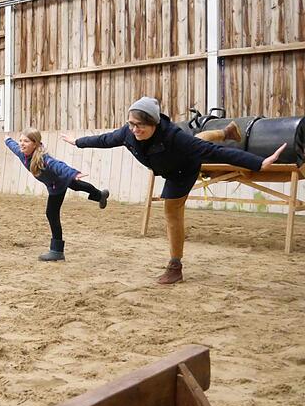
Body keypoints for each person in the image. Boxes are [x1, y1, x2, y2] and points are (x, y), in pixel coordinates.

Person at [62, 97, 285, 284]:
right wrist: (78, 142)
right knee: (197, 140)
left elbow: (214, 152)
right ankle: (226, 131)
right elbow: (105, 139)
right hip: (170, 163)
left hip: (182, 171)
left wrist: (258, 163)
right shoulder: (128, 133)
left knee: (172, 212)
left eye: (141, 125)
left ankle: (175, 266)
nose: (135, 129)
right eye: (131, 123)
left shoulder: (174, 137)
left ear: (154, 124)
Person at [5, 128, 109, 261]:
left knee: (52, 213)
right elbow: (13, 146)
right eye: (20, 140)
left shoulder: (44, 159)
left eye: (26, 141)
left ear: (35, 143)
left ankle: (57, 251)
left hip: (57, 184)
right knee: (78, 186)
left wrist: (73, 173)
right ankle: (100, 195)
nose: (21, 144)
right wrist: (7, 139)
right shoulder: (22, 153)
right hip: (56, 181)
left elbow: (59, 166)